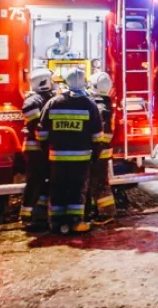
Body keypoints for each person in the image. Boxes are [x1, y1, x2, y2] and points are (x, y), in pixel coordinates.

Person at [40, 67, 103, 234]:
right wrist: (95, 155)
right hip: (80, 159)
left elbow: (41, 132)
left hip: (57, 158)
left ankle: (56, 223)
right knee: (76, 190)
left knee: (57, 189)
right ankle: (75, 223)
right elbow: (97, 135)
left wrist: (46, 149)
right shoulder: (89, 105)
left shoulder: (53, 103)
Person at [20, 68, 57, 231]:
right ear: (44, 82)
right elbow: (36, 127)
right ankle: (27, 216)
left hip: (45, 148)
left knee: (45, 182)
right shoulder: (32, 102)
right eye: (51, 80)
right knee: (34, 182)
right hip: (36, 150)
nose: (54, 82)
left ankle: (40, 213)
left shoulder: (48, 98)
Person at [86, 71, 116, 225]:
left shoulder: (99, 107)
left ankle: (105, 214)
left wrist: (95, 148)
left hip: (99, 150)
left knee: (99, 182)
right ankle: (100, 211)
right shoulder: (104, 103)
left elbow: (101, 133)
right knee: (97, 181)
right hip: (102, 149)